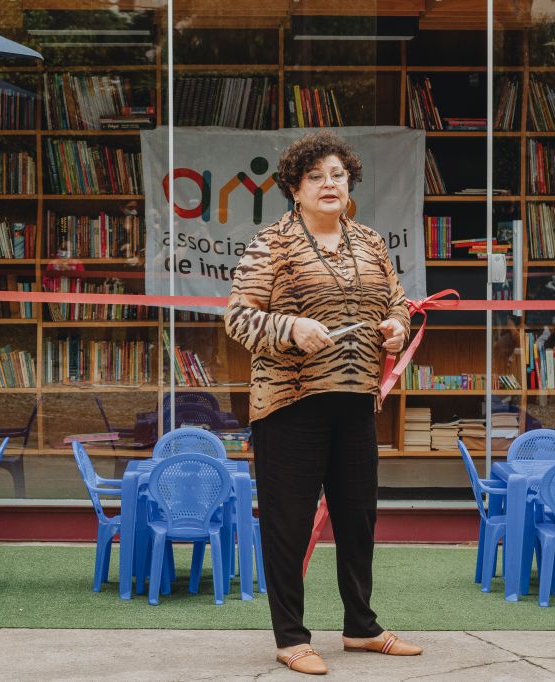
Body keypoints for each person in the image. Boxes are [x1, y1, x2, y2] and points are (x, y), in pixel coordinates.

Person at [224, 130, 422, 676]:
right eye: (316, 177)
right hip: (290, 403)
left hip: (356, 400)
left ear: (350, 183)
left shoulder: (370, 242)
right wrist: (290, 327)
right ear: (294, 187)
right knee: (288, 524)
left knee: (358, 520)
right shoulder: (273, 243)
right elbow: (237, 318)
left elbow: (399, 303)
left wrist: (395, 328)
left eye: (338, 175)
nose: (329, 184)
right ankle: (291, 638)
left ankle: (361, 628)